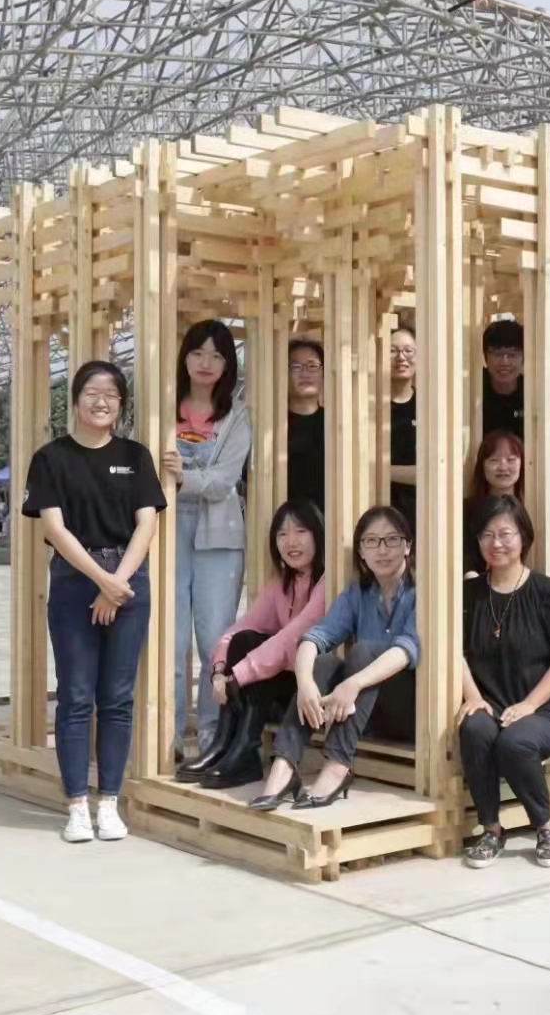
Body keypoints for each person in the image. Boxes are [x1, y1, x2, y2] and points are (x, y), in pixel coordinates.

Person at [22, 360, 164, 843]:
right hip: (75, 582)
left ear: (121, 404)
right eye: (91, 392)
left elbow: (147, 523)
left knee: (118, 699)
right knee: (76, 696)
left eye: (111, 394)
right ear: (76, 399)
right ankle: (77, 806)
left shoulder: (135, 456)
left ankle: (110, 803)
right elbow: (54, 528)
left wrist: (117, 584)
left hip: (128, 581)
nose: (101, 401)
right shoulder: (51, 458)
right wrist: (102, 581)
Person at [249, 506, 420, 810]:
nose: (382, 550)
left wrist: (353, 684)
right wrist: (305, 683)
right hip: (360, 713)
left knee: (365, 650)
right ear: (361, 552)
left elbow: (405, 651)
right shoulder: (357, 593)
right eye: (371, 541)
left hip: (409, 711)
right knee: (323, 662)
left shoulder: (421, 593)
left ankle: (337, 766)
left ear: (408, 546)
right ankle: (284, 767)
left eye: (392, 540)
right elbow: (315, 638)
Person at [458, 495, 550, 869]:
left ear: (523, 536)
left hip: (543, 710)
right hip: (490, 703)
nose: (496, 543)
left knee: (515, 741)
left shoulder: (548, 592)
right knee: (474, 728)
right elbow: (453, 651)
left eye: (505, 533)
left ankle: (546, 828)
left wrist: (529, 705)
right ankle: (491, 829)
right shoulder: (469, 595)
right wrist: (472, 697)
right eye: (487, 535)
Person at [177, 499, 327, 788]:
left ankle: (243, 752)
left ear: (318, 535)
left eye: (300, 531)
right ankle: (225, 745)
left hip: (311, 689)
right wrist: (220, 670)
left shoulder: (328, 583)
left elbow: (291, 638)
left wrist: (239, 675)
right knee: (244, 640)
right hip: (280, 688)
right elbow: (242, 627)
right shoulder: (281, 581)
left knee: (258, 665)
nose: (291, 542)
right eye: (282, 534)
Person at [159, 320, 251, 755]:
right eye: (198, 352)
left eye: (217, 355)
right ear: (184, 357)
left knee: (215, 640)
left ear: (228, 364)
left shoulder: (237, 415)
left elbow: (225, 480)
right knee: (169, 639)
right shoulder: (163, 409)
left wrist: (183, 478)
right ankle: (169, 732)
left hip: (221, 535)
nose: (206, 363)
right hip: (167, 530)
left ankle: (213, 735)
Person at [463, 430, 523, 575]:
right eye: (494, 460)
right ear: (482, 466)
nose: (503, 467)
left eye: (511, 460)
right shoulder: (466, 510)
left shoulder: (532, 507)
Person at [286, 337, 326, 514]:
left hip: (330, 522)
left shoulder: (336, 425)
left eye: (312, 366)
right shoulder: (272, 424)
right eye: (296, 367)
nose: (305, 373)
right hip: (283, 522)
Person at [388, 325, 418, 527]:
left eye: (408, 350)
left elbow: (432, 470)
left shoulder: (428, 408)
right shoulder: (367, 407)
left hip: (420, 512)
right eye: (392, 350)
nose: (401, 357)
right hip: (376, 509)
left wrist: (381, 471)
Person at [480, 318, 525, 440]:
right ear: (485, 357)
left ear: (523, 358)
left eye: (512, 355)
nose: (505, 362)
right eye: (497, 354)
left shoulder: (531, 393)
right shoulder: (473, 388)